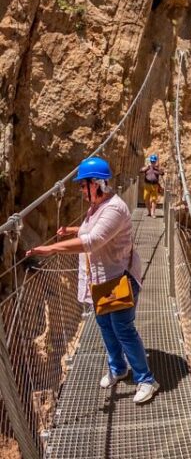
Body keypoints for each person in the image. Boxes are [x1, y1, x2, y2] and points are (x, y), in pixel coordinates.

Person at [26, 157, 159, 404]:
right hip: (100, 280)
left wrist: (52, 249)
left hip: (119, 279)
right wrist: (72, 231)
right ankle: (118, 368)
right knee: (106, 326)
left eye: (83, 185)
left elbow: (94, 240)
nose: (81, 189)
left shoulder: (114, 208)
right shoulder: (97, 206)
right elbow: (92, 230)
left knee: (123, 329)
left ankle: (146, 380)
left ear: (97, 184)